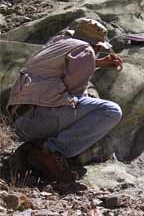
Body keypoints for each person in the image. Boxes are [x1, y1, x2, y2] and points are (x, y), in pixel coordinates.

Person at [7, 18, 123, 182]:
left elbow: (59, 70)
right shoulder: (86, 50)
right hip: (38, 119)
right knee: (110, 111)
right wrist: (92, 63)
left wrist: (96, 63)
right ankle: (50, 153)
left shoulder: (59, 41)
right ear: (97, 45)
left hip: (22, 119)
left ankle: (38, 149)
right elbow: (73, 91)